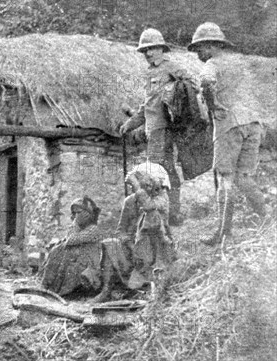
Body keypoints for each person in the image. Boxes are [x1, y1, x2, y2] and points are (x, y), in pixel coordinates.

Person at [187, 22, 270, 246]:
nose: (198, 55)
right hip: (253, 123)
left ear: (213, 45)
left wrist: (213, 105)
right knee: (244, 178)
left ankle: (224, 234)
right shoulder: (240, 64)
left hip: (230, 124)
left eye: (200, 48)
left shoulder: (213, 64)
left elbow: (205, 81)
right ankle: (269, 220)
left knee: (225, 178)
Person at [119, 28, 188, 226]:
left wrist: (176, 105)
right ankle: (171, 212)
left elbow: (191, 86)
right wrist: (129, 124)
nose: (148, 54)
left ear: (161, 48)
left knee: (159, 171)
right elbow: (147, 106)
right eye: (145, 50)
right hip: (153, 129)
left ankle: (167, 213)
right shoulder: (150, 72)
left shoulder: (171, 67)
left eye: (152, 49)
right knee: (166, 170)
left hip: (163, 128)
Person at [94, 161, 176, 302]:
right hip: (133, 247)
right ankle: (106, 290)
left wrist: (138, 187)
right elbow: (120, 230)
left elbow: (149, 207)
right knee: (110, 244)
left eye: (136, 184)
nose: (133, 188)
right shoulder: (130, 201)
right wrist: (129, 244)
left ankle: (152, 291)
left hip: (156, 249)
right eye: (133, 185)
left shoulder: (161, 199)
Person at [41, 196, 104, 297]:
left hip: (88, 263)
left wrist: (75, 223)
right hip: (76, 258)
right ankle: (47, 286)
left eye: (78, 213)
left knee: (65, 254)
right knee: (57, 251)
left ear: (87, 214)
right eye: (73, 213)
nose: (75, 216)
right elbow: (69, 238)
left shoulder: (93, 230)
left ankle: (61, 290)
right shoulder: (78, 227)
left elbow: (71, 239)